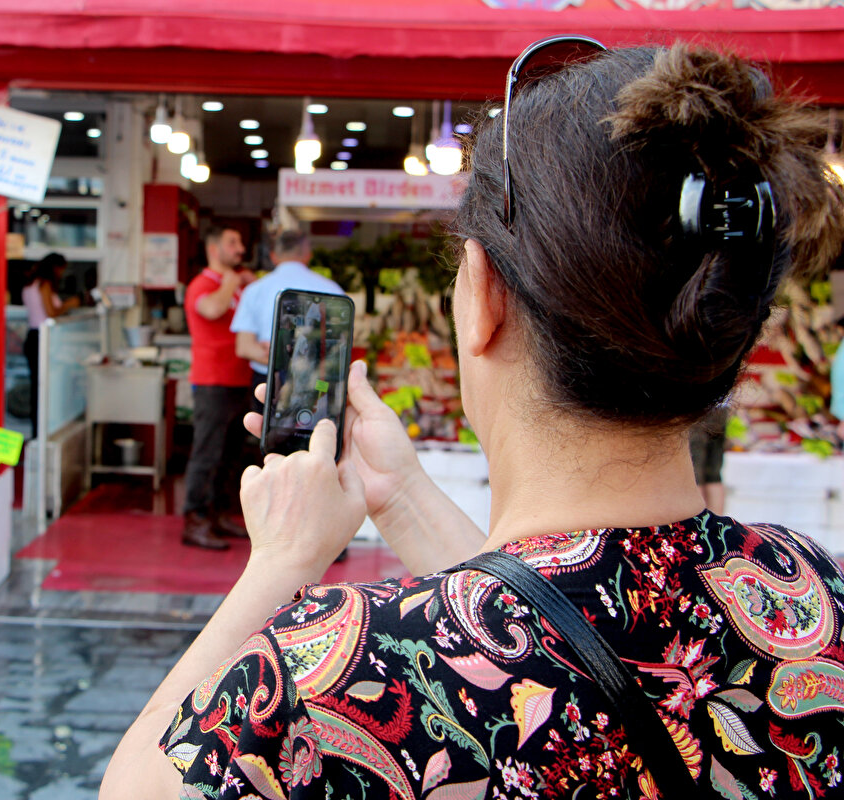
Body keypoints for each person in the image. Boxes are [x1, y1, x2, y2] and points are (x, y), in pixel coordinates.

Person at [102, 42, 844, 799]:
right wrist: (400, 493)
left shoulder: (342, 675)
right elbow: (536, 616)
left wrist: (282, 563)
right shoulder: (813, 597)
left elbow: (134, 789)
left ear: (482, 296)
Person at [181, 225, 253, 550]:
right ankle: (194, 520)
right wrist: (231, 282)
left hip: (240, 378)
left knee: (230, 455)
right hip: (212, 381)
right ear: (214, 249)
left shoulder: (234, 286)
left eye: (239, 243)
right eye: (232, 242)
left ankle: (219, 513)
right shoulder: (203, 285)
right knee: (206, 453)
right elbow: (211, 309)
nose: (239, 249)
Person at [231, 228, 344, 411]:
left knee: (268, 435)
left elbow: (243, 347)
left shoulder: (255, 290)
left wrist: (280, 356)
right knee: (318, 431)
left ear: (273, 256)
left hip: (268, 383)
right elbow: (340, 346)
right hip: (318, 382)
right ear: (308, 255)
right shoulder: (332, 290)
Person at [23, 253, 80, 439]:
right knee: (43, 389)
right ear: (55, 268)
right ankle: (41, 434)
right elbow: (51, 313)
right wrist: (69, 304)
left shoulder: (30, 283)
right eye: (61, 269)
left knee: (38, 388)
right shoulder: (44, 284)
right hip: (42, 338)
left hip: (33, 337)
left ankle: (38, 433)